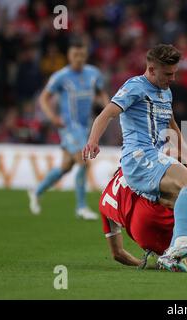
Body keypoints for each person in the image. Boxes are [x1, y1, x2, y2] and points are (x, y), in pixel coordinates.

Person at [83, 44, 187, 269]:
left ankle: (170, 255)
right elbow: (107, 113)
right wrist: (93, 140)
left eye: (175, 73)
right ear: (151, 70)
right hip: (139, 158)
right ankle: (179, 244)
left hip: (156, 158)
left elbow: (171, 125)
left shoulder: (166, 91)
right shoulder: (135, 87)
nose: (173, 78)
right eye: (168, 74)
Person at [27, 39, 109, 220]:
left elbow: (102, 92)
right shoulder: (60, 76)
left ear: (86, 54)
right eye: (74, 54)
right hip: (69, 127)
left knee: (66, 166)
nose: (78, 58)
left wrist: (108, 108)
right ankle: (81, 207)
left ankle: (36, 190)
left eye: (81, 54)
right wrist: (52, 117)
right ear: (69, 56)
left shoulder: (93, 73)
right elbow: (43, 98)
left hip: (86, 126)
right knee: (83, 161)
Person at [100, 168, 187, 271]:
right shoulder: (133, 168)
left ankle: (166, 256)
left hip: (140, 234)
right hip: (151, 212)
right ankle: (179, 245)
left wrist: (142, 263)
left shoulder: (103, 200)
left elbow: (117, 253)